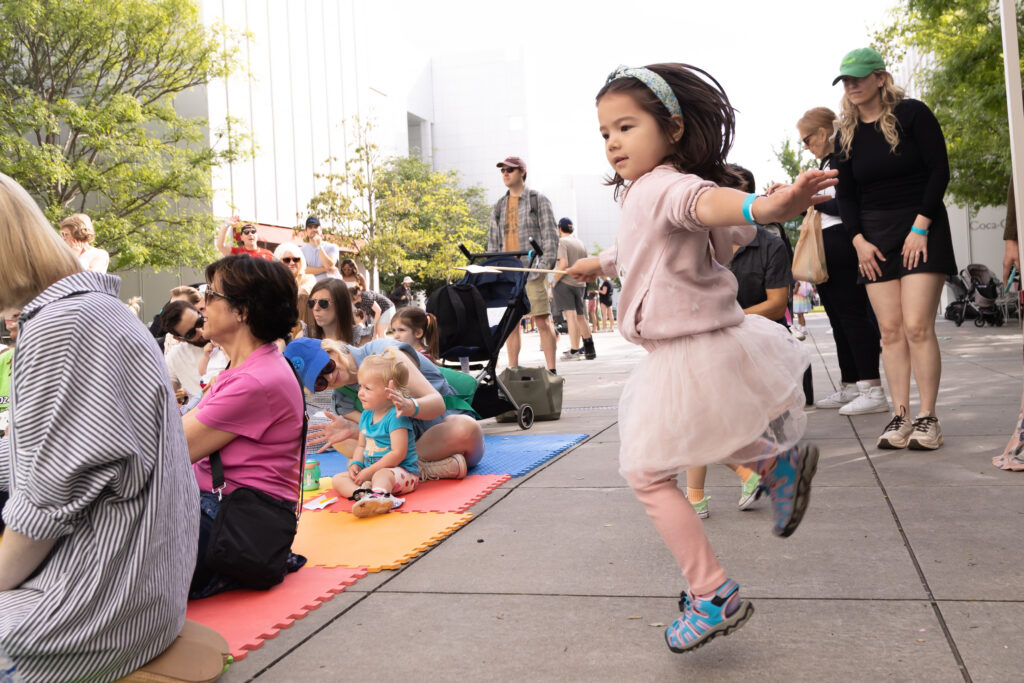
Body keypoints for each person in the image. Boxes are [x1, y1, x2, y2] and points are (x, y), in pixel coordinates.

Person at [567, 63, 834, 652]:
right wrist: (599, 263)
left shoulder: (666, 185)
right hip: (707, 346)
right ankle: (775, 466)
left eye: (626, 126)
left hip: (686, 350)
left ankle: (712, 591)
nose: (612, 141)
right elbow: (649, 244)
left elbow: (710, 205)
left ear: (673, 128)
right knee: (708, 436)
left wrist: (767, 207)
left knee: (645, 472)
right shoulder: (651, 192)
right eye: (605, 132)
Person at [0, 172, 198, 680]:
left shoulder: (65, 326)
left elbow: (43, 507)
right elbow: (57, 453)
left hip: (93, 612)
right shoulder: (96, 311)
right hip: (143, 593)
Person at [834, 48, 957, 450]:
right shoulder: (845, 132)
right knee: (889, 331)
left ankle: (928, 418)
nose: (851, 86)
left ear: (880, 78)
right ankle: (900, 416)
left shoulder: (914, 114)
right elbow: (846, 195)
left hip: (922, 226)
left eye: (858, 78)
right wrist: (858, 242)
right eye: (845, 81)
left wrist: (920, 226)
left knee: (917, 325)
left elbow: (940, 170)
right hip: (873, 236)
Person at [182, 255, 306, 599]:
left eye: (210, 294)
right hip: (216, 506)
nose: (201, 304)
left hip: (230, 521)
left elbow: (171, 447)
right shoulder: (247, 366)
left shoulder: (256, 381)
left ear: (243, 311)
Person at [286, 336, 484, 480]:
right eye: (320, 382)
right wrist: (355, 431)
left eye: (327, 367)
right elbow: (380, 437)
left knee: (465, 429)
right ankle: (423, 469)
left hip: (442, 427)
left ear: (332, 350)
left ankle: (400, 469)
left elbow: (437, 404)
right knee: (341, 439)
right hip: (406, 444)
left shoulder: (385, 353)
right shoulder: (341, 400)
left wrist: (409, 406)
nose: (329, 378)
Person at [794, 106, 886, 415]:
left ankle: (871, 388)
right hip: (830, 246)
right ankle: (850, 384)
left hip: (845, 244)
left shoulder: (843, 158)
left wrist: (811, 199)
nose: (806, 147)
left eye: (807, 139)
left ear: (823, 133)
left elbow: (847, 204)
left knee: (853, 316)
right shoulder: (828, 161)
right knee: (838, 318)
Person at [488, 155, 560, 373]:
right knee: (510, 326)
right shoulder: (499, 205)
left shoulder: (538, 199)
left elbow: (550, 235)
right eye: (502, 170)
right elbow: (493, 242)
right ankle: (513, 369)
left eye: (510, 169)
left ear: (522, 172)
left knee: (542, 321)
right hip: (508, 274)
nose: (505, 173)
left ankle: (551, 370)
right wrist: (493, 270)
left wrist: (541, 267)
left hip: (531, 270)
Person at [330, 349, 420, 518]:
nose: (360, 392)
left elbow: (398, 454)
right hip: (372, 474)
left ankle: (380, 496)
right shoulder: (366, 414)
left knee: (381, 474)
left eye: (367, 388)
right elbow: (361, 445)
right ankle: (363, 495)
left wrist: (370, 471)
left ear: (388, 393)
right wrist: (356, 463)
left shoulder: (396, 416)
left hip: (401, 473)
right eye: (360, 386)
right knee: (338, 479)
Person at [160, 300, 229, 402]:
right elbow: (167, 398)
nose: (201, 331)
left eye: (199, 322)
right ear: (179, 338)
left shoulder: (228, 334)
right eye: (191, 333)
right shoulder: (175, 356)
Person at [553, 217, 597, 360]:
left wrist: (553, 282)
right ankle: (589, 349)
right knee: (580, 316)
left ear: (559, 228)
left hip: (565, 283)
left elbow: (563, 264)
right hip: (580, 284)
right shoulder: (580, 243)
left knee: (570, 317)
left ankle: (574, 350)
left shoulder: (562, 242)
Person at [307, 278, 356, 343]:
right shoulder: (305, 336)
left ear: (340, 304)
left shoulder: (362, 339)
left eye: (323, 303)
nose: (315, 308)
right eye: (312, 302)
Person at [300, 216, 341, 281]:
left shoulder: (332, 247)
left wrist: (319, 245)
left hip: (330, 287)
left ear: (321, 230)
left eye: (316, 227)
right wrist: (325, 269)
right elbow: (303, 270)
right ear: (306, 232)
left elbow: (328, 265)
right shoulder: (301, 251)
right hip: (311, 288)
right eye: (310, 227)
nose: (313, 229)